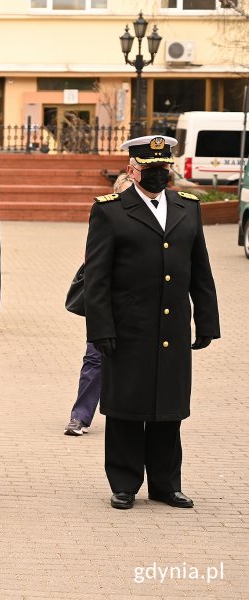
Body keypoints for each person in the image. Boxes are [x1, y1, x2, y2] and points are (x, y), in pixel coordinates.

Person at [84, 135, 220, 510]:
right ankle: (124, 483)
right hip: (128, 327)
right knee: (127, 407)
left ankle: (165, 484)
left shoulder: (187, 207)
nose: (159, 175)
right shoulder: (110, 210)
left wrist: (207, 320)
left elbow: (200, 269)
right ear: (133, 169)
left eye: (164, 168)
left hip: (173, 326)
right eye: (150, 169)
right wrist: (101, 328)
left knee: (168, 408)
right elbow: (97, 277)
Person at [64, 173, 133, 437]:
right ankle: (79, 417)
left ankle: (135, 416)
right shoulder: (106, 218)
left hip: (137, 306)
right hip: (106, 305)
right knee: (95, 359)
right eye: (124, 194)